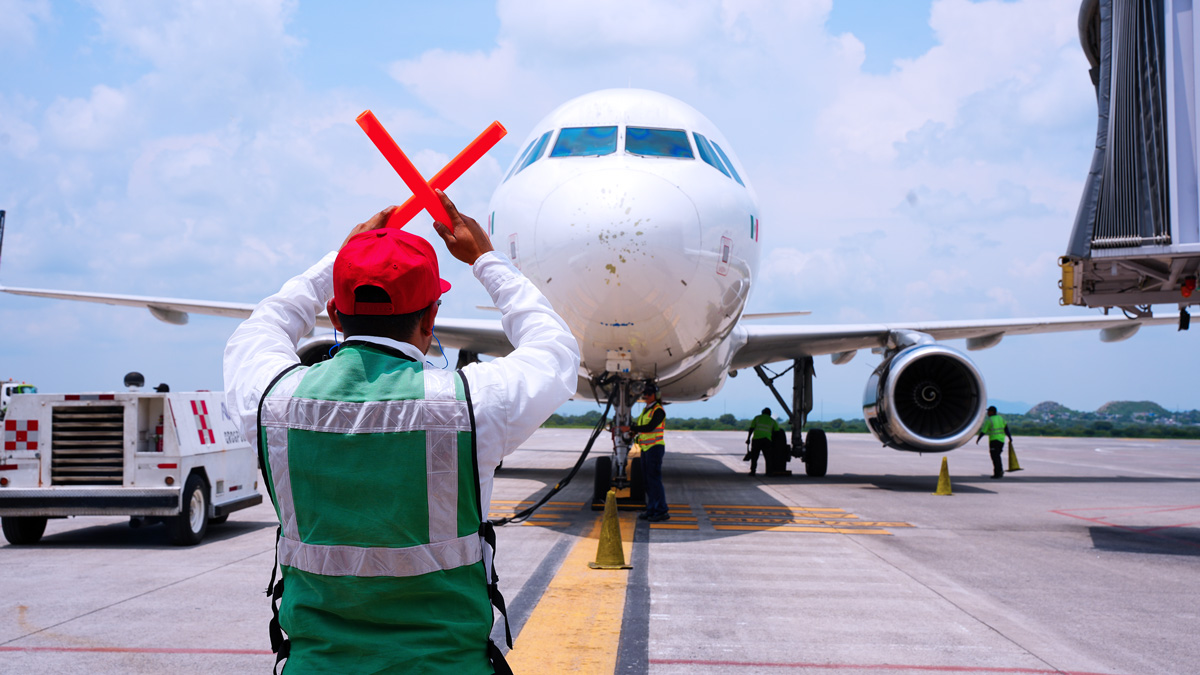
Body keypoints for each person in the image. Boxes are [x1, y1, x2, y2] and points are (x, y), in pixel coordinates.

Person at [223, 190, 580, 674]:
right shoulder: (469, 405)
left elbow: (260, 327)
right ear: (431, 317)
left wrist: (340, 259)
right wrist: (485, 260)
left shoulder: (273, 401)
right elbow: (555, 349)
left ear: (334, 311)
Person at [623, 382, 668, 522]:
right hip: (646, 448)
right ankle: (651, 510)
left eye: (648, 393)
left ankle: (661, 511)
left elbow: (649, 427)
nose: (646, 396)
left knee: (654, 480)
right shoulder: (647, 410)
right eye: (644, 393)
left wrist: (631, 428)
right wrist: (633, 434)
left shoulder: (658, 410)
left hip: (655, 448)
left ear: (656, 395)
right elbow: (643, 428)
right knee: (648, 481)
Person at [975, 405, 1013, 479]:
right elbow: (1006, 429)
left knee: (995, 457)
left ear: (992, 412)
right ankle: (1000, 471)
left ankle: (997, 473)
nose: (987, 413)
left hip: (994, 441)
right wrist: (1009, 437)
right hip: (1001, 441)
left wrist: (978, 439)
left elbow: (983, 431)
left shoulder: (990, 420)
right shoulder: (1001, 418)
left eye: (988, 411)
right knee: (998, 456)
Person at [745, 407, 781, 476]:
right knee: (768, 457)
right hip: (767, 440)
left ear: (762, 413)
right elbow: (777, 432)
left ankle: (753, 471)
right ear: (770, 414)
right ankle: (769, 472)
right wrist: (773, 441)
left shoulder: (757, 418)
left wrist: (748, 438)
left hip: (756, 439)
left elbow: (751, 428)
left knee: (754, 457)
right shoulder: (772, 421)